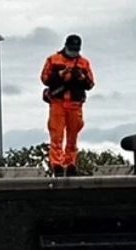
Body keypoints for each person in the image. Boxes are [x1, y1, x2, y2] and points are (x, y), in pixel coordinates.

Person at [40, 34, 95, 177]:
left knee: (73, 137)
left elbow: (90, 84)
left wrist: (81, 77)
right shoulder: (53, 60)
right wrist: (60, 74)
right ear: (66, 46)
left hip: (75, 104)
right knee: (56, 136)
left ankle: (70, 164)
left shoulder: (84, 63)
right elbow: (45, 79)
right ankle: (57, 164)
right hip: (58, 102)